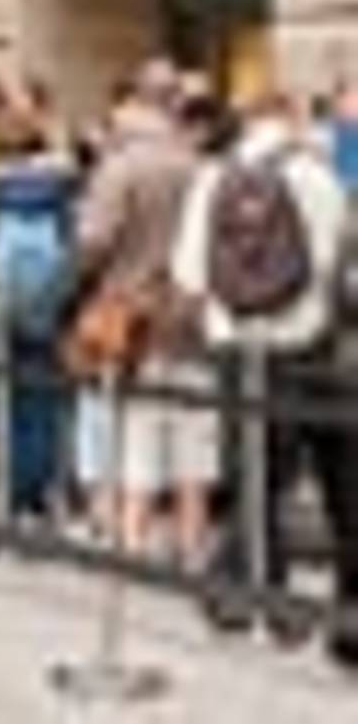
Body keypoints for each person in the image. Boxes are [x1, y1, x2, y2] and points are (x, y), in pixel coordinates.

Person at [173, 92, 358, 666]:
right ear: (294, 121)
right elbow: (337, 266)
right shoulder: (321, 179)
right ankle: (348, 616)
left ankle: (259, 597)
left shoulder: (213, 178)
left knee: (255, 476)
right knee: (344, 486)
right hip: (317, 348)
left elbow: (189, 271)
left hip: (240, 348)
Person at [71, 68, 199, 555]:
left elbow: (93, 241)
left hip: (126, 312)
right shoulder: (192, 160)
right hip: (185, 314)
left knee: (132, 429)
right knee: (191, 437)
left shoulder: (121, 166)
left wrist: (84, 275)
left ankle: (130, 540)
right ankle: (189, 543)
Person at [0, 76, 76, 520]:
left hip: (1, 298)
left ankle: (11, 493)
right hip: (47, 301)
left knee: (6, 399)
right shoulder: (62, 181)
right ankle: (40, 492)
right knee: (44, 400)